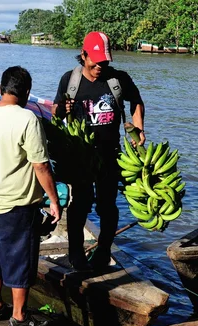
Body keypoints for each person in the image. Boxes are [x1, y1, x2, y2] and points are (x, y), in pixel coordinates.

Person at [0, 66, 61, 326]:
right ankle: (20, 317)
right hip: (16, 205)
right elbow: (41, 165)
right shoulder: (27, 119)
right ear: (27, 93)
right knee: (20, 259)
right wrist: (54, 200)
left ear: (1, 88)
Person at [52, 31, 145, 270]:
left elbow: (136, 101)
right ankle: (75, 254)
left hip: (109, 154)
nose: (100, 68)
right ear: (83, 56)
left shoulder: (118, 79)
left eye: (104, 62)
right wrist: (63, 107)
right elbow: (56, 113)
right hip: (80, 157)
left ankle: (103, 251)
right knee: (80, 203)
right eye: (95, 63)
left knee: (107, 205)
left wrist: (139, 128)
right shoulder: (69, 80)